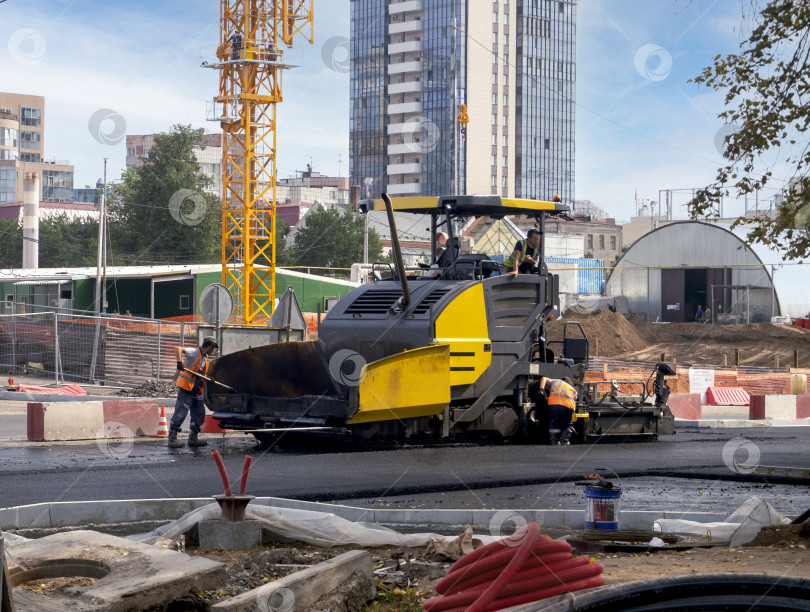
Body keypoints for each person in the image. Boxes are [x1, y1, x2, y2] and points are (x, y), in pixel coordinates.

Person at [168, 336, 219, 448]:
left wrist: (208, 379)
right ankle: (172, 439)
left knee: (199, 414)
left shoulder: (204, 357)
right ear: (208, 346)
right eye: (213, 348)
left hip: (196, 391)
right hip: (187, 388)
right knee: (181, 412)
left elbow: (199, 372)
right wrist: (179, 362)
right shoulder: (194, 352)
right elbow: (178, 349)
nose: (213, 351)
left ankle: (193, 438)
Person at [540, 375, 578, 445]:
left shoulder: (556, 381)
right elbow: (574, 402)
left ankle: (554, 442)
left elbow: (543, 378)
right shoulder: (573, 390)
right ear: (570, 383)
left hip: (553, 405)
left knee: (555, 422)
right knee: (567, 423)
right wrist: (573, 413)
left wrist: (542, 389)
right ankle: (564, 442)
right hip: (566, 406)